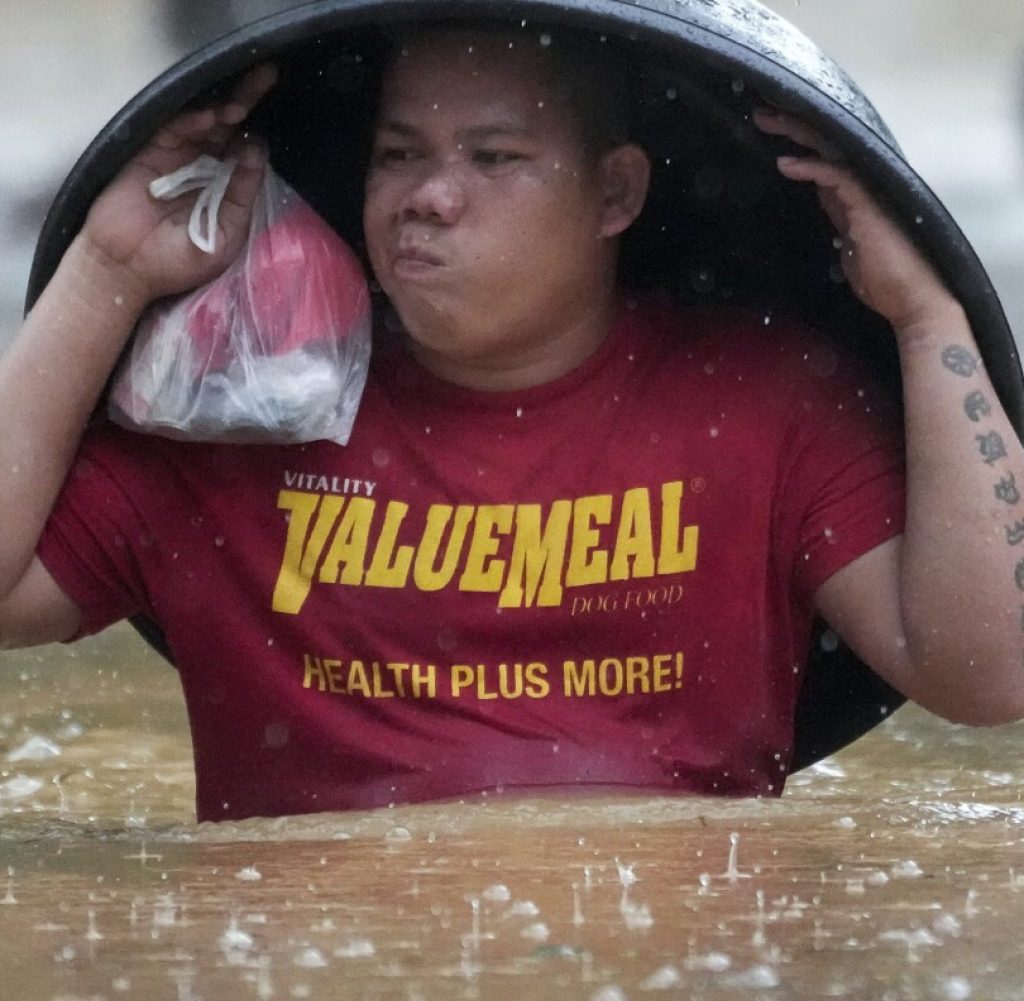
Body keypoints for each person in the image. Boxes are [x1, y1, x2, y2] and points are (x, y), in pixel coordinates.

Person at [1, 24, 1022, 822]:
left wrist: (927, 311)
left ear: (613, 191)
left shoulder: (765, 405)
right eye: (400, 152)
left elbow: (991, 673)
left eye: (492, 157)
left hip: (663, 973)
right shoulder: (239, 417)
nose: (428, 197)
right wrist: (105, 271)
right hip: (322, 970)